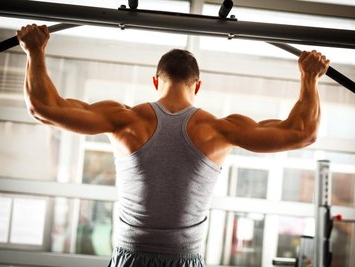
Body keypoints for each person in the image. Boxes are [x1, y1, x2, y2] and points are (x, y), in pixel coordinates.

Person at [17, 24, 330, 267]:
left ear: (155, 81)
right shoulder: (217, 129)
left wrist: (35, 52)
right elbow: (302, 133)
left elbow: (44, 108)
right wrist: (309, 79)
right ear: (198, 86)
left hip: (131, 257)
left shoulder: (126, 120)